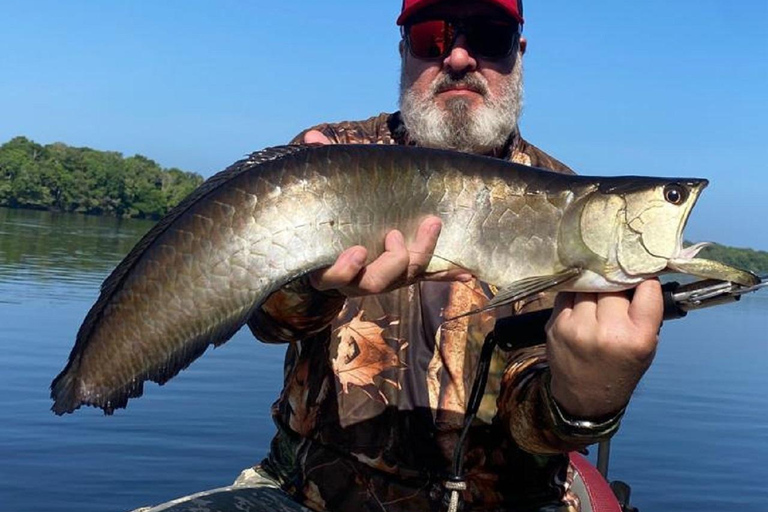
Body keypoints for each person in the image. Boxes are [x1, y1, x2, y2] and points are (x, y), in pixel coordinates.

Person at [139, 1, 663, 511]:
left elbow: (533, 425)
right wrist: (310, 288)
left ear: (518, 54)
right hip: (310, 493)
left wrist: (587, 396)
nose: (458, 58)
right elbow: (268, 323)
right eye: (431, 36)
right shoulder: (331, 157)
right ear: (403, 50)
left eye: (487, 36)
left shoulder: (572, 208)